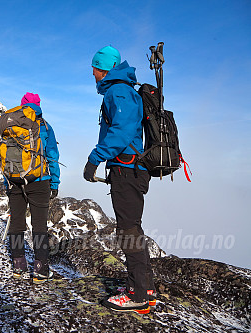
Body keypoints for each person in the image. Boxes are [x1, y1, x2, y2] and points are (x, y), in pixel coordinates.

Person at [83, 46, 156, 313]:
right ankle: (145, 287)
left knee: (128, 231)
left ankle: (138, 295)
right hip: (131, 169)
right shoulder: (123, 90)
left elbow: (122, 132)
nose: (91, 73)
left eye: (93, 68)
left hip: (126, 170)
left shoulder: (118, 91)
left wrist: (95, 158)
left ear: (102, 68)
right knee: (132, 228)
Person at [6, 92, 60, 284]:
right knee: (39, 226)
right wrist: (54, 182)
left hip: (14, 181)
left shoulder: (11, 125)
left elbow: (8, 158)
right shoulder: (44, 125)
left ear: (22, 106)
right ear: (38, 105)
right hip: (39, 180)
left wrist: (8, 183)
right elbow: (52, 155)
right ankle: (40, 268)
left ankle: (18, 265)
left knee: (17, 224)